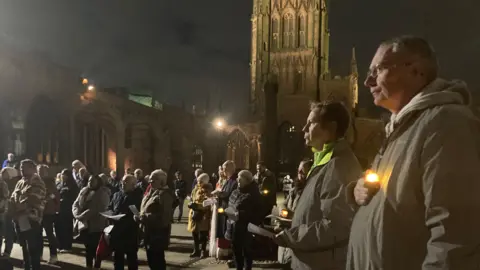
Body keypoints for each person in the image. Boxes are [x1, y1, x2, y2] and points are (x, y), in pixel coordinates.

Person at [347, 36, 480, 270]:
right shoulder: (402, 127)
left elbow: (454, 237)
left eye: (378, 69)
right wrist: (358, 191)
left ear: (416, 71)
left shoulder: (446, 123)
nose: (368, 81)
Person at [273, 101, 362, 270]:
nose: (304, 128)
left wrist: (293, 236)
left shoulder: (338, 166)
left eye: (311, 123)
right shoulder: (323, 163)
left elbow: (338, 226)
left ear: (332, 128)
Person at [10, 159, 46, 270]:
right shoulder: (20, 181)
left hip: (31, 219)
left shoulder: (36, 181)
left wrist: (20, 208)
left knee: (32, 247)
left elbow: (33, 198)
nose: (21, 169)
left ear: (31, 168)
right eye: (21, 167)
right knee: (24, 247)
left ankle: (35, 267)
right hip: (19, 219)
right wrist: (12, 208)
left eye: (24, 167)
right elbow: (13, 197)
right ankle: (26, 266)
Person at [136, 169, 174, 270]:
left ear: (161, 181)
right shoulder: (152, 192)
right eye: (150, 181)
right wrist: (139, 216)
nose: (150, 183)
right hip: (148, 232)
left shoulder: (165, 195)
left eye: (153, 181)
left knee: (157, 261)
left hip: (158, 234)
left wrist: (145, 217)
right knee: (151, 260)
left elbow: (164, 218)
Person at [225, 170, 262, 270]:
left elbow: (257, 211)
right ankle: (239, 268)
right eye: (238, 179)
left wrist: (241, 214)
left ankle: (247, 268)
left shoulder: (253, 193)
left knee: (246, 250)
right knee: (235, 249)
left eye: (240, 180)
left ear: (247, 180)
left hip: (246, 227)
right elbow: (230, 202)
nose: (238, 181)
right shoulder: (236, 191)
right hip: (233, 225)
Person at [72, 175, 110, 269]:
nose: (90, 183)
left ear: (98, 182)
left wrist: (82, 216)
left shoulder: (102, 193)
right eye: (89, 181)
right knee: (88, 247)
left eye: (93, 181)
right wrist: (77, 214)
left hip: (96, 224)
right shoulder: (84, 191)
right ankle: (88, 265)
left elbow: (97, 208)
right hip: (84, 224)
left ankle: (97, 265)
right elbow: (76, 203)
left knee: (96, 247)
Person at [108, 174, 143, 270]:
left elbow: (138, 213)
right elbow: (110, 207)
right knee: (117, 258)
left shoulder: (137, 197)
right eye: (122, 181)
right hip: (117, 232)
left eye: (126, 182)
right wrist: (109, 214)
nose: (122, 183)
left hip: (130, 232)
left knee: (131, 259)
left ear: (133, 184)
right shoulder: (116, 195)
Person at [37, 164, 60, 264]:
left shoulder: (50, 182)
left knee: (50, 234)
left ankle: (53, 255)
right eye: (39, 170)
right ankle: (39, 255)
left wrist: (44, 199)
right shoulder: (36, 181)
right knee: (38, 235)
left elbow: (54, 195)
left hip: (48, 212)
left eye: (42, 171)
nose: (40, 172)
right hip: (38, 211)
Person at [187, 173, 213, 258]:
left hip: (203, 214)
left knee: (203, 234)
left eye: (200, 181)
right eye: (198, 181)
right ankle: (196, 249)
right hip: (194, 213)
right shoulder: (195, 188)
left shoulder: (208, 190)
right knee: (194, 233)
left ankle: (203, 250)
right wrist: (191, 203)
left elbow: (208, 202)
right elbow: (192, 197)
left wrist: (198, 206)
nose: (198, 182)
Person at [55, 169, 78, 253]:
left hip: (67, 209)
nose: (63, 176)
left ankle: (67, 246)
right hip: (58, 209)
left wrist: (64, 200)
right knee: (58, 228)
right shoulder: (59, 184)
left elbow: (74, 197)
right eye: (62, 174)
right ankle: (60, 245)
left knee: (66, 228)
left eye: (65, 175)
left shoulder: (72, 185)